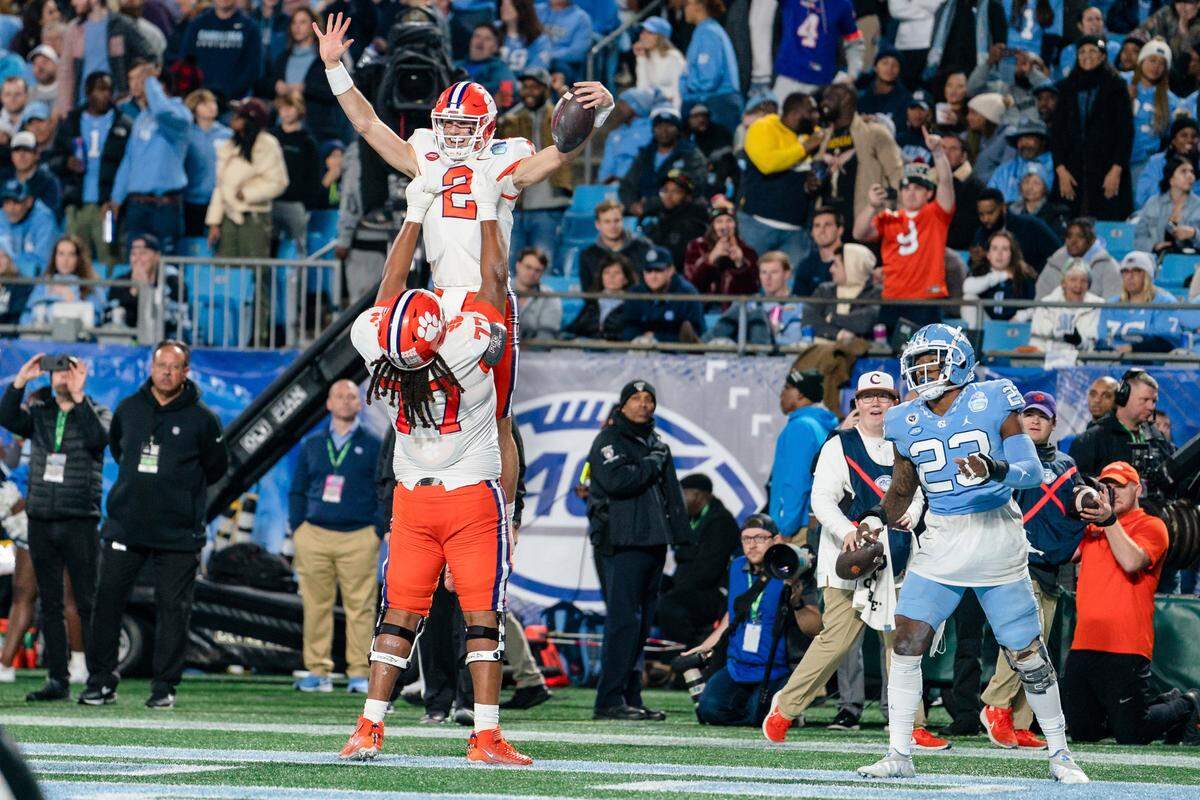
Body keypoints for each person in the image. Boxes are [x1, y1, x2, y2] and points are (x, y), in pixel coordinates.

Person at [317, 10, 613, 517]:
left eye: (462, 126)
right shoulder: (425, 151)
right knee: (412, 402)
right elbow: (367, 124)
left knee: (497, 417)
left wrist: (599, 113)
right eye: (447, 125)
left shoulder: (505, 157)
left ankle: (507, 517)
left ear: (486, 128)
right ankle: (419, 505)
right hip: (435, 301)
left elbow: (558, 155)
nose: (452, 135)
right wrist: (334, 68)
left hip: (488, 297)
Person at [338, 172, 531, 765]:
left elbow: (386, 292)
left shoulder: (382, 360)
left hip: (412, 501)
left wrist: (414, 214)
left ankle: (368, 727)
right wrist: (492, 210)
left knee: (398, 617)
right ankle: (486, 736)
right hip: (470, 499)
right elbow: (495, 281)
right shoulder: (469, 352)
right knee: (482, 621)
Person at [849, 323, 1089, 784]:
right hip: (942, 539)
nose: (920, 371)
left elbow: (1031, 472)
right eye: (915, 363)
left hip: (995, 535)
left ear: (958, 360)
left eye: (930, 361)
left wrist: (992, 466)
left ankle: (1060, 752)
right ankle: (899, 751)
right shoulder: (903, 418)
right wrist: (875, 517)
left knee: (1026, 652)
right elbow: (902, 488)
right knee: (906, 639)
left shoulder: (994, 397)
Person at [764, 371, 949, 743]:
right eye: (868, 397)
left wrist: (911, 513)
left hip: (896, 557)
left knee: (903, 643)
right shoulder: (839, 444)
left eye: (884, 396)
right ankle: (783, 708)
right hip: (849, 557)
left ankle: (911, 726)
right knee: (836, 641)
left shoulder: (906, 444)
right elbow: (822, 500)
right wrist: (847, 532)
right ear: (857, 405)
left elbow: (915, 492)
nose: (876, 403)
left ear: (895, 404)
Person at [80, 340, 228, 709]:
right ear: (151, 367)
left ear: (185, 372)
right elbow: (118, 449)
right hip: (125, 527)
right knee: (107, 603)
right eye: (160, 364)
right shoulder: (129, 409)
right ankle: (100, 682)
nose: (166, 371)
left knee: (173, 609)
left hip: (178, 533)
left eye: (174, 366)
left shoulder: (203, 418)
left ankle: (164, 687)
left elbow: (216, 468)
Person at [978, 392, 1087, 750]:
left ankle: (1022, 719)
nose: (1035, 420)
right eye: (1028, 414)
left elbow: (1078, 504)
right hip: (1016, 562)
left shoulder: (1069, 465)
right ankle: (996, 706)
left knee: (1036, 647)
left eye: (1043, 415)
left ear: (1054, 423)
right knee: (1022, 641)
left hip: (1051, 567)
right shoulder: (1005, 457)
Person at [1064, 461, 1200, 745]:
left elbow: (1131, 561)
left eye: (1119, 486)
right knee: (1083, 733)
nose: (1112, 491)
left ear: (1137, 489)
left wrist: (1108, 521)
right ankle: (1142, 710)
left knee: (1132, 734)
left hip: (1126, 645)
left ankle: (1187, 704)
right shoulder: (1092, 527)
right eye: (1107, 486)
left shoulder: (1152, 525)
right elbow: (1063, 555)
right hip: (1084, 643)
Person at [0, 354, 108, 702]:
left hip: (79, 519)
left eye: (68, 370)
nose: (62, 377)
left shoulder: (96, 410)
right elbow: (7, 417)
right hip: (42, 518)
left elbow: (99, 440)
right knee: (49, 603)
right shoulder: (40, 412)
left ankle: (98, 677)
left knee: (86, 601)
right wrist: (20, 382)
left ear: (81, 373)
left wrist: (78, 399)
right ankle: (57, 679)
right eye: (57, 371)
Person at [587, 379, 689, 720]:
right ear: (623, 404)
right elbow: (619, 482)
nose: (643, 404)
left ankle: (631, 696)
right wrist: (651, 462)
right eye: (636, 398)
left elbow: (672, 493)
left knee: (642, 623)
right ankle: (608, 700)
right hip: (621, 542)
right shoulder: (609, 440)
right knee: (622, 622)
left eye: (649, 399)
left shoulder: (655, 443)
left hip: (652, 541)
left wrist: (681, 537)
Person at [288, 380, 382, 695]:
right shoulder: (312, 444)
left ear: (360, 404)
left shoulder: (373, 444)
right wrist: (298, 527)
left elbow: (385, 490)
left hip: (358, 536)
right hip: (314, 534)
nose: (344, 401)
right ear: (328, 404)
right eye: (338, 396)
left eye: (351, 396)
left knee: (361, 608)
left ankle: (358, 673)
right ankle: (317, 671)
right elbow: (298, 489)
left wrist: (377, 529)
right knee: (316, 605)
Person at [688, 514, 822, 726]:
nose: (751, 545)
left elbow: (815, 628)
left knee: (756, 714)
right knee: (709, 710)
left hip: (778, 668)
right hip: (738, 666)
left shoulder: (793, 568)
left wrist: (797, 604)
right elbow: (735, 611)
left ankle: (778, 711)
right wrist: (708, 644)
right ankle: (777, 713)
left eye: (759, 538)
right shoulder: (736, 567)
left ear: (776, 540)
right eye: (746, 539)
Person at [852, 129, 954, 332]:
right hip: (892, 298)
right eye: (906, 188)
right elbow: (859, 233)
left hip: (926, 299)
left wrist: (938, 153)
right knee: (890, 358)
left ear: (929, 193)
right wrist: (871, 205)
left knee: (926, 360)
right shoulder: (888, 218)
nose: (910, 193)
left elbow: (946, 182)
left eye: (917, 188)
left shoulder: (936, 214)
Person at [46, 71, 131, 268]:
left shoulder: (123, 124)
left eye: (109, 90)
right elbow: (52, 160)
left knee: (109, 255)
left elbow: (129, 165)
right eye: (100, 89)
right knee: (74, 260)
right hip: (77, 206)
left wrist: (117, 199)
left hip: (108, 207)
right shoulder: (71, 122)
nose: (105, 95)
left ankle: (108, 298)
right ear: (87, 92)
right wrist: (66, 162)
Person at [109, 61, 191, 256]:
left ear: (160, 86)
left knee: (165, 266)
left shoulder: (181, 115)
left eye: (141, 81)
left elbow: (162, 112)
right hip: (137, 206)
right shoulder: (141, 118)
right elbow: (129, 160)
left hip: (165, 206)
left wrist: (151, 81)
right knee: (135, 263)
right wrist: (116, 198)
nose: (136, 86)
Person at [1050, 35, 1134, 220]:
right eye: (1082, 52)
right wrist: (1061, 170)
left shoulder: (1116, 86)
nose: (1087, 55)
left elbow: (1125, 132)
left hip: (1107, 169)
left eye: (1092, 51)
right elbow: (1056, 132)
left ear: (1103, 56)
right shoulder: (1066, 87)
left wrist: (1116, 169)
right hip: (1072, 170)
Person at [739, 92, 822, 274]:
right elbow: (768, 164)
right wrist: (804, 148)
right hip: (757, 225)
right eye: (811, 112)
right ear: (793, 114)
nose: (817, 116)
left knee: (792, 291)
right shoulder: (763, 127)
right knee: (750, 280)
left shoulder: (814, 134)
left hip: (796, 231)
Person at [497, 67, 572, 267]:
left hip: (549, 205)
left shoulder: (556, 114)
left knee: (543, 264)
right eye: (525, 87)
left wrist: (562, 91)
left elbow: (577, 115)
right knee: (509, 265)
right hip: (516, 204)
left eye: (535, 87)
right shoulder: (511, 118)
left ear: (546, 89)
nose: (529, 91)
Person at [656, 473, 741, 648]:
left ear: (699, 495)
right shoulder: (689, 520)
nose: (679, 500)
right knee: (651, 586)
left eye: (683, 494)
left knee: (670, 606)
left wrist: (674, 591)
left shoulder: (720, 522)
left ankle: (689, 651)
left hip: (711, 592)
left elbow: (707, 571)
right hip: (685, 585)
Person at [206, 97, 287, 259]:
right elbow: (220, 186)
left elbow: (278, 182)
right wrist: (214, 222)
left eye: (239, 115)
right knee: (227, 269)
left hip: (254, 216)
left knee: (254, 269)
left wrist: (248, 193)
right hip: (228, 216)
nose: (232, 118)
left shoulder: (267, 145)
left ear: (251, 120)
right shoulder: (229, 145)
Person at [814, 84, 904, 225]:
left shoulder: (874, 133)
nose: (825, 102)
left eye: (832, 97)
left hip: (864, 219)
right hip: (830, 222)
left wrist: (897, 214)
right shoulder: (823, 137)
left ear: (848, 100)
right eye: (825, 98)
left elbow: (896, 173)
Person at [768, 368, 837, 540]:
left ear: (800, 394)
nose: (781, 394)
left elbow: (796, 482)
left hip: (797, 529)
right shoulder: (819, 425)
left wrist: (785, 528)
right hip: (811, 522)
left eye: (786, 388)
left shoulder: (801, 427)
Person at [53, 0, 152, 121]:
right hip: (83, 107)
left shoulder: (121, 25)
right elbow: (66, 73)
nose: (73, 3)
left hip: (118, 107)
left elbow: (150, 56)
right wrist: (66, 110)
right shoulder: (75, 30)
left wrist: (134, 86)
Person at [1069, 368, 1174, 478]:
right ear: (1123, 397)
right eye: (1145, 400)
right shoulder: (1091, 439)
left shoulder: (1157, 439)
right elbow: (1078, 487)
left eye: (1154, 401)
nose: (1151, 407)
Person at [263, 6, 344, 143]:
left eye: (302, 22)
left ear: (314, 26)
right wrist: (275, 86)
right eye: (294, 23)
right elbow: (264, 84)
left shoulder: (325, 58)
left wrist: (305, 88)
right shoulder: (283, 58)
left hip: (316, 129)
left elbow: (336, 91)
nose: (297, 27)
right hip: (282, 129)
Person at [749, 0, 862, 97]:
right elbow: (760, 17)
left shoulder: (842, 4)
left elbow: (854, 42)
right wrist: (761, 73)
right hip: (787, 77)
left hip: (822, 83)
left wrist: (852, 73)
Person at [619, 107, 708, 218]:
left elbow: (696, 185)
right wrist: (632, 205)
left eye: (669, 126)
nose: (664, 131)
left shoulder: (690, 153)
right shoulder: (645, 155)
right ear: (653, 130)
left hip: (680, 214)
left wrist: (653, 203)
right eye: (659, 127)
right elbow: (627, 185)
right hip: (645, 215)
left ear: (678, 129)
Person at [1096, 252, 1184, 353]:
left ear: (1147, 275)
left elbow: (1167, 342)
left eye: (1136, 271)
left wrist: (1133, 349)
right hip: (1113, 363)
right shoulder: (1111, 305)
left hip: (1151, 365)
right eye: (1125, 271)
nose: (1130, 276)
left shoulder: (1164, 303)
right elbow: (1103, 340)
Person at [179, 0, 263, 104]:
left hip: (234, 103)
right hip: (201, 102)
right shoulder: (197, 24)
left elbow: (252, 69)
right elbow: (185, 62)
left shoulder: (250, 28)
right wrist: (198, 94)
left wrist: (228, 94)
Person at [620, 246, 706, 342]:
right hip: (639, 351)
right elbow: (627, 329)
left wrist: (656, 337)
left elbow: (696, 334)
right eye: (648, 271)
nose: (653, 276)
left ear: (671, 271)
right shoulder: (635, 293)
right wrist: (641, 338)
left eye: (658, 270)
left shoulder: (687, 294)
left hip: (678, 354)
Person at [270, 91, 319, 257]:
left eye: (290, 106)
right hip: (270, 201)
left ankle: (299, 283)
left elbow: (313, 176)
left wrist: (307, 204)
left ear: (299, 109)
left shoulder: (308, 141)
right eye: (282, 107)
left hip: (296, 204)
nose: (286, 111)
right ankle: (266, 284)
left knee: (299, 252)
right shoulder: (270, 137)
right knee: (267, 250)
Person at [800, 242, 881, 343]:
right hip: (822, 350)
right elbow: (808, 320)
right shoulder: (824, 290)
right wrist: (839, 334)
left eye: (836, 265)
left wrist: (832, 318)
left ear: (852, 268)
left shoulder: (875, 293)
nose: (831, 269)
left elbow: (866, 322)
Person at [106, 233, 186, 336]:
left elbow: (174, 318)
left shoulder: (172, 280)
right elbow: (112, 316)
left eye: (143, 253)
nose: (138, 259)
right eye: (134, 254)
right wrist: (134, 291)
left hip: (166, 339)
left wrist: (147, 289)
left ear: (157, 256)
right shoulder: (120, 282)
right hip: (128, 341)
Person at [680, 0, 741, 132]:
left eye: (687, 4)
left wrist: (687, 88)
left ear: (699, 6)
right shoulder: (705, 30)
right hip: (716, 102)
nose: (684, 8)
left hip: (718, 103)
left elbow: (708, 78)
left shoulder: (708, 32)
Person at [22, 235, 106, 327]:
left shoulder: (91, 285)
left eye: (71, 254)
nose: (65, 260)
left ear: (78, 259)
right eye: (61, 254)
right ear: (55, 257)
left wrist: (70, 298)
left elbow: (95, 319)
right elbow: (26, 316)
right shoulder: (43, 284)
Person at [1023, 259, 1104, 352]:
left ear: (1088, 285)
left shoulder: (1098, 306)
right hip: (1049, 361)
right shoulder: (1045, 305)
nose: (1078, 285)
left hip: (1082, 363)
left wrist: (1080, 342)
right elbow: (1036, 342)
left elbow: (1097, 345)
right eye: (1073, 280)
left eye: (1084, 281)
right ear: (1063, 283)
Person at [1129, 39, 1182, 181]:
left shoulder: (1171, 101)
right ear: (1142, 61)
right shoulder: (1122, 83)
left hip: (1144, 164)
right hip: (1112, 159)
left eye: (1162, 63)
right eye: (1152, 60)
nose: (1156, 67)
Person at [972, 188, 1060, 272]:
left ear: (1003, 208)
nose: (985, 219)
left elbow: (1059, 254)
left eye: (990, 213)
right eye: (981, 214)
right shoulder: (981, 235)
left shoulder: (1031, 225)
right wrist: (979, 261)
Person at [182, 88, 231, 239]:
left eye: (213, 102)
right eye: (204, 103)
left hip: (218, 200)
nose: (211, 106)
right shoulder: (185, 134)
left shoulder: (227, 134)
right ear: (194, 108)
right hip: (190, 200)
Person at [1036, 217, 1122, 300]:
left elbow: (1112, 305)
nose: (1073, 241)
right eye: (1069, 236)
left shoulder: (1108, 265)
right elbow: (1040, 301)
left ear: (1091, 240)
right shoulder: (1054, 264)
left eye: (1080, 237)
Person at [962, 230, 1037, 324]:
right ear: (988, 254)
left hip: (1014, 328)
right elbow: (967, 288)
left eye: (1005, 249)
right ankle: (976, 338)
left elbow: (1035, 306)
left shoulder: (1024, 275)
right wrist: (1000, 276)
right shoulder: (980, 270)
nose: (999, 253)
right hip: (986, 327)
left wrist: (1020, 317)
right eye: (994, 248)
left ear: (1012, 254)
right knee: (968, 299)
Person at [577, 199, 654, 291]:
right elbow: (588, 293)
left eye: (616, 220)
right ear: (598, 225)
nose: (613, 226)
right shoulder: (588, 255)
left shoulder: (643, 248)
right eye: (607, 221)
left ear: (623, 221)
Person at [639, 171, 710, 269]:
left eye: (676, 191)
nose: (668, 195)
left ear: (687, 196)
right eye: (665, 190)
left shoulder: (695, 222)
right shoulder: (656, 214)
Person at [683, 207, 758, 297]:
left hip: (735, 306)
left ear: (735, 225)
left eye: (729, 221)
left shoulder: (748, 251)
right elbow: (691, 286)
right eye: (719, 221)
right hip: (704, 305)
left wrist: (740, 265)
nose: (724, 226)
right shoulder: (697, 247)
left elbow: (752, 290)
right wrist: (710, 259)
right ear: (712, 226)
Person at [1133, 155, 1200, 254]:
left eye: (1192, 172)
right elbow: (1138, 237)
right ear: (1171, 180)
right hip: (1156, 259)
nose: (1190, 176)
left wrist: (1194, 234)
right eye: (1183, 171)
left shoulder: (1198, 205)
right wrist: (1154, 246)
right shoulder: (1153, 203)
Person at [597, 88, 662, 185]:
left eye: (623, 103)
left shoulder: (652, 131)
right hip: (609, 189)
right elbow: (606, 166)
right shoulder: (614, 135)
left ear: (636, 106)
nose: (618, 107)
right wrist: (603, 182)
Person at [565, 252, 635, 340]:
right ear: (601, 277)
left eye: (617, 273)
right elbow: (573, 329)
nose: (611, 277)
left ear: (626, 279)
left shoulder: (632, 305)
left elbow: (630, 334)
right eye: (606, 272)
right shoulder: (592, 303)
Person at [1136, 115, 1199, 207]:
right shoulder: (1156, 162)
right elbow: (1141, 197)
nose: (1189, 140)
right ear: (1173, 140)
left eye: (1194, 136)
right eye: (1183, 135)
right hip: (1158, 213)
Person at [0, 178, 58, 277]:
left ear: (29, 201)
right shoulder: (2, 217)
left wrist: (13, 266)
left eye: (16, 202)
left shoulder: (44, 220)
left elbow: (43, 265)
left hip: (38, 282)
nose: (10, 208)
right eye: (7, 203)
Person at [988, 119, 1053, 203]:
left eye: (1029, 138)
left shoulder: (1055, 166)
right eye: (1020, 139)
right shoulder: (1004, 170)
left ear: (1043, 141)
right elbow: (989, 198)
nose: (1024, 143)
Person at [942, 133, 986, 250]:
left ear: (963, 156)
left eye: (953, 149)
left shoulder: (975, 186)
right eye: (942, 148)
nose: (946, 153)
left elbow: (967, 231)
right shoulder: (928, 181)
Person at [457, 24, 517, 108]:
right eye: (477, 36)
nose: (480, 41)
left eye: (487, 39)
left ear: (496, 47)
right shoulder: (455, 65)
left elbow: (508, 93)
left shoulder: (500, 69)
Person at [633, 16, 685, 110]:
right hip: (651, 106)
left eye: (649, 33)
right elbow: (641, 89)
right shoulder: (645, 57)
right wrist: (641, 59)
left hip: (671, 107)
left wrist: (676, 115)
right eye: (643, 32)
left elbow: (679, 91)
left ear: (660, 37)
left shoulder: (674, 57)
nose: (643, 36)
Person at [791, 208, 844, 298]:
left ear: (840, 230)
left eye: (828, 225)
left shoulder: (852, 259)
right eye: (817, 226)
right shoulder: (806, 265)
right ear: (812, 232)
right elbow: (799, 301)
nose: (822, 230)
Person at [1008, 163, 1068, 238]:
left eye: (1036, 183)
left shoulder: (1056, 212)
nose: (1030, 187)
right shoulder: (1011, 210)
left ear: (1045, 188)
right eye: (1026, 182)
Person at [858, 47, 912, 131]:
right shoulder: (861, 93)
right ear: (875, 67)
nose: (889, 68)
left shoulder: (905, 98)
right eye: (885, 63)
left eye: (895, 65)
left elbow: (902, 129)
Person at [512, 246, 561, 339]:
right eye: (528, 267)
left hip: (534, 352)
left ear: (542, 273)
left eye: (537, 270)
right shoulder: (500, 291)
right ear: (518, 265)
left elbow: (546, 336)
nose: (531, 273)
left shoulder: (550, 297)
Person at [964, 92, 1008, 184]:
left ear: (988, 116)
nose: (968, 117)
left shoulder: (1007, 137)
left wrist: (974, 180)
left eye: (974, 113)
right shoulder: (976, 136)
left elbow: (1006, 172)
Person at [498, 0, 551, 75]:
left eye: (509, 5)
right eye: (503, 5)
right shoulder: (493, 30)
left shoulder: (540, 40)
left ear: (522, 8)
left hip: (524, 83)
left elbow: (538, 69)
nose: (503, 8)